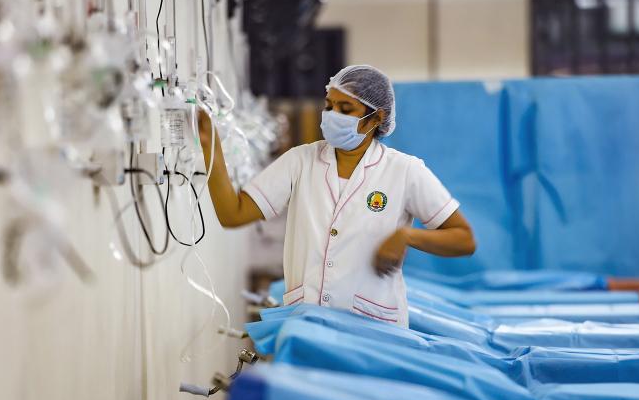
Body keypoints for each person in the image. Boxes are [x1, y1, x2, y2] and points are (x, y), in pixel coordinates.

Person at [199, 65, 475, 328]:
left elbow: (463, 239)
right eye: (329, 106)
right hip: (306, 322)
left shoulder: (405, 171)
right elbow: (232, 214)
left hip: (374, 329)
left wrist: (406, 237)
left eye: (346, 109)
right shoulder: (300, 160)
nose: (332, 115)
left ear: (377, 118)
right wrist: (210, 145)